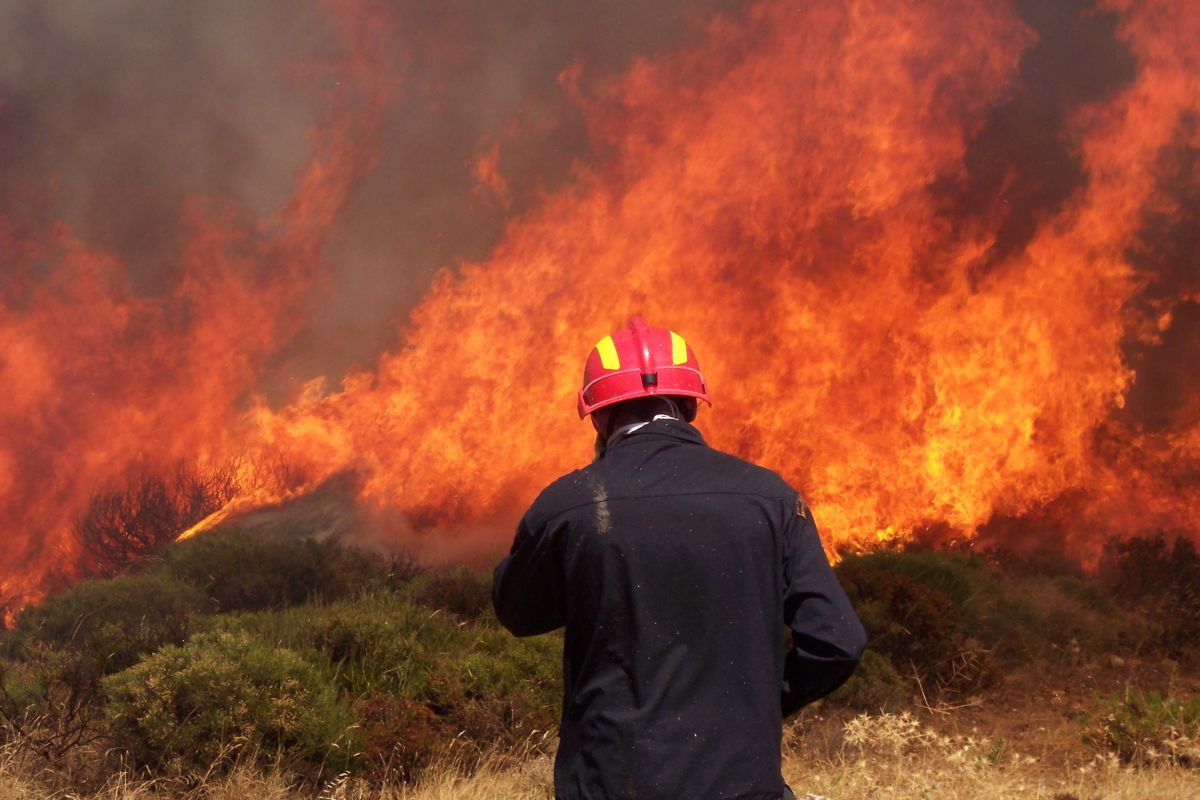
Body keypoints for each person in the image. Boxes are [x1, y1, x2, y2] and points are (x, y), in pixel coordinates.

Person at [492, 317, 867, 800]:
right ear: (690, 404)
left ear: (598, 414)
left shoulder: (568, 505)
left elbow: (517, 614)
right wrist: (760, 705)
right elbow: (839, 641)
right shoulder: (771, 498)